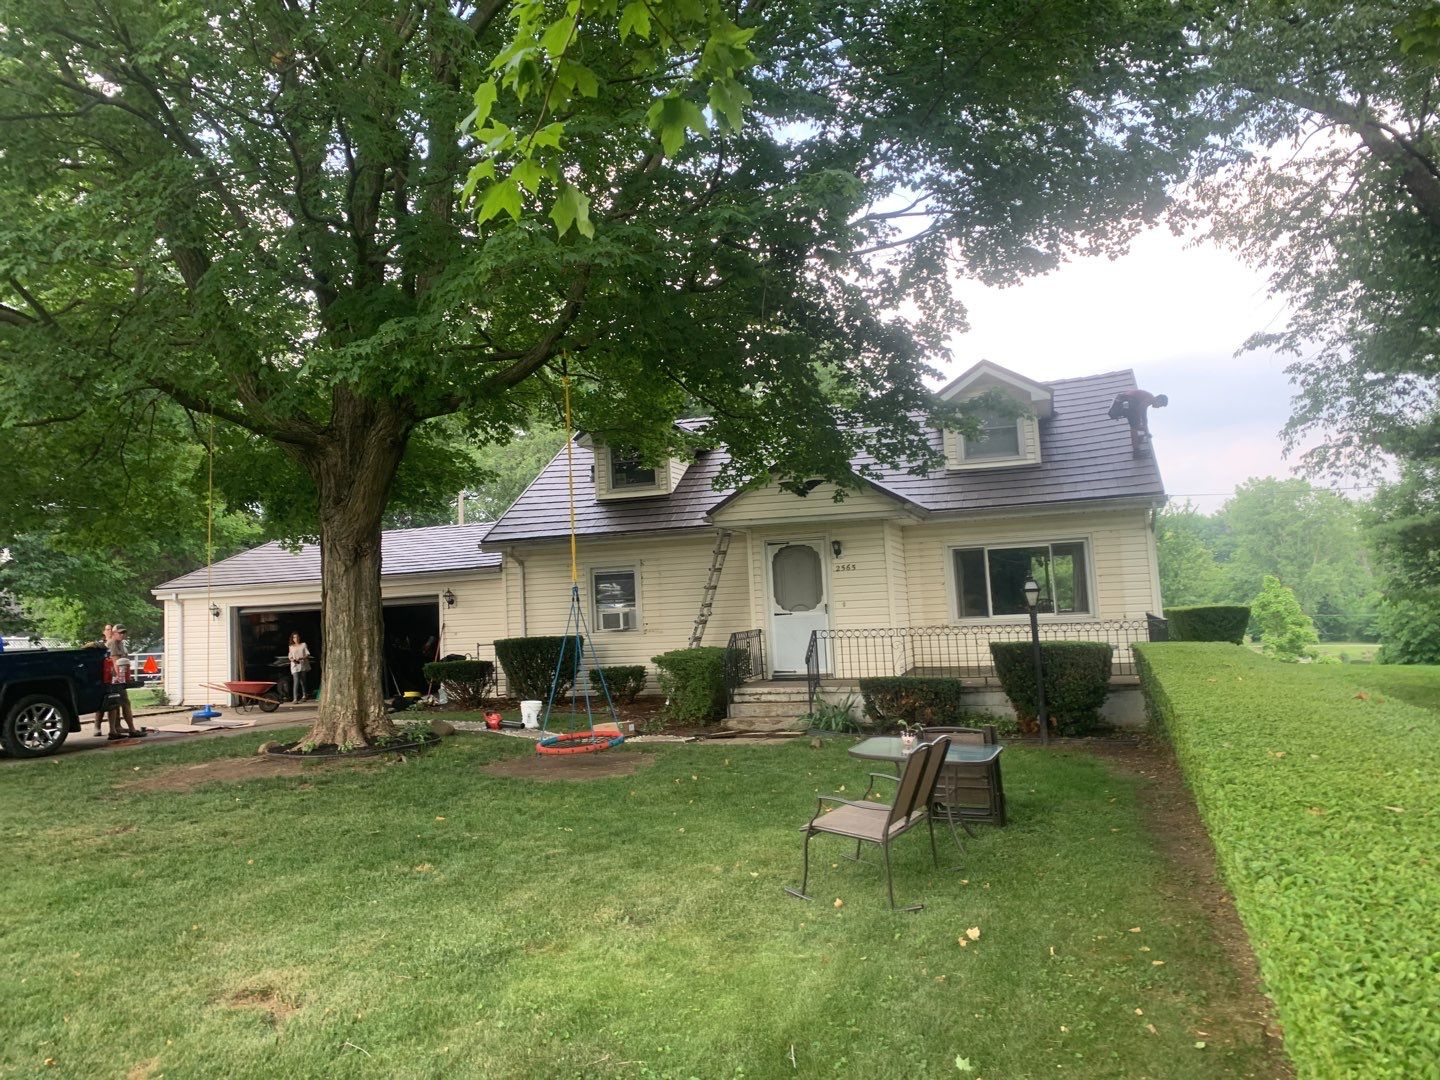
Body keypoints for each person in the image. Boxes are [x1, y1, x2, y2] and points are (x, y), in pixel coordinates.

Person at [108, 624, 145, 738]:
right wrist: (121, 678)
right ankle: (131, 730)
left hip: (117, 678)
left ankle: (114, 730)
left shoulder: (120, 644)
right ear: (114, 633)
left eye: (124, 632)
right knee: (124, 702)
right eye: (120, 633)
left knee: (114, 704)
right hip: (115, 679)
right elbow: (116, 662)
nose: (122, 635)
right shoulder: (113, 643)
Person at [1107, 389, 1169, 456]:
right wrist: (1143, 428)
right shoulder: (1150, 398)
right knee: (1135, 426)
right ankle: (1136, 451)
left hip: (1124, 400)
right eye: (1160, 405)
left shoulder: (1147, 399)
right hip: (1129, 400)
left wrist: (1145, 429)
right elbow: (1140, 409)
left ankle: (1137, 444)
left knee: (1136, 425)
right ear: (1158, 400)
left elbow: (1144, 415)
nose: (1158, 407)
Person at [287, 632, 313, 702]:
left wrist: (302, 658)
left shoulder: (303, 645)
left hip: (302, 664)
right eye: (294, 637)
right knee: (296, 681)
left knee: (303, 681)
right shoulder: (291, 647)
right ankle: (295, 698)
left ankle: (304, 695)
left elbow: (307, 654)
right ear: (293, 639)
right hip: (295, 665)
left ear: (299, 637)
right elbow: (290, 656)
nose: (296, 638)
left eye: (297, 637)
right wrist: (293, 660)